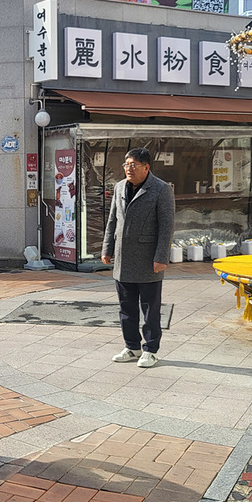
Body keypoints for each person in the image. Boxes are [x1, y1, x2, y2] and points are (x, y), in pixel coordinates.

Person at [101, 148, 175, 368]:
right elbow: (112, 221)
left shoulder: (161, 189)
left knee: (150, 309)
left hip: (148, 259)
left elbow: (167, 227)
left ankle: (150, 350)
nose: (129, 169)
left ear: (146, 167)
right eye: (126, 165)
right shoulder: (119, 187)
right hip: (123, 258)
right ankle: (132, 346)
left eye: (133, 165)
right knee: (127, 307)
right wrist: (107, 248)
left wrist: (161, 257)